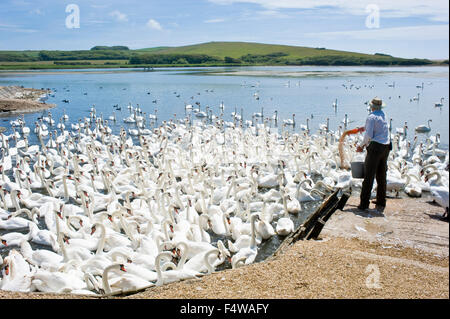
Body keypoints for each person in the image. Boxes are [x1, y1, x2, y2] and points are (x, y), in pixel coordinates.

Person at [356, 97, 391, 212]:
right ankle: (381, 201)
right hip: (386, 147)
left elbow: (368, 136)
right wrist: (364, 127)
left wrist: (361, 146)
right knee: (381, 175)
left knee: (369, 176)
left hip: (376, 147)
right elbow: (379, 127)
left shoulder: (371, 117)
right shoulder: (383, 114)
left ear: (372, 107)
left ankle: (364, 204)